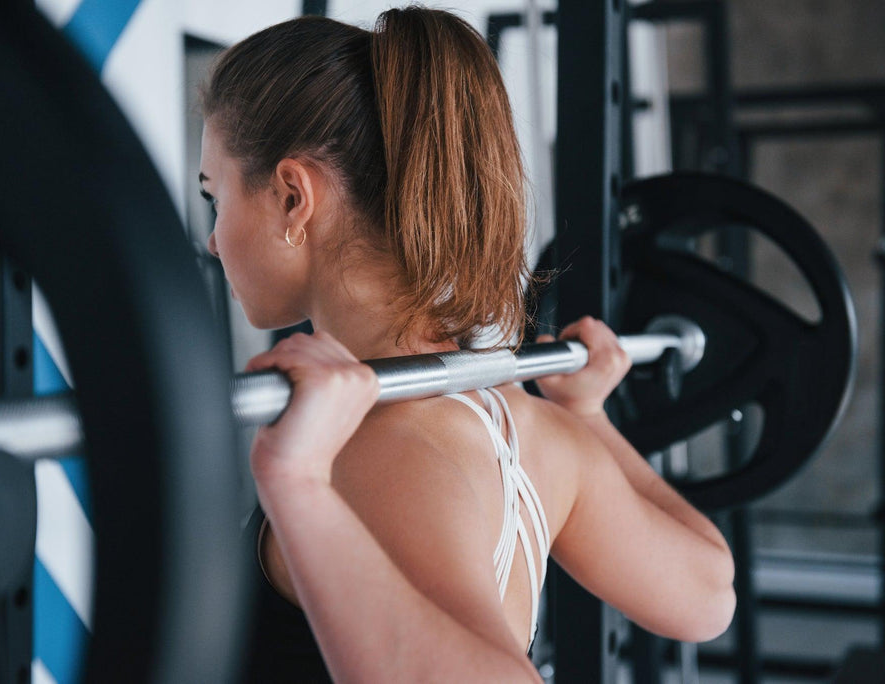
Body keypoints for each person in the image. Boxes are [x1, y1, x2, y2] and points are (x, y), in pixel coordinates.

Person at [198, 7, 735, 682]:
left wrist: (298, 483)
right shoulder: (530, 420)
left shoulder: (375, 451)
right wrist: (591, 416)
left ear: (292, 198)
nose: (214, 239)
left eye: (214, 196)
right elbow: (709, 593)